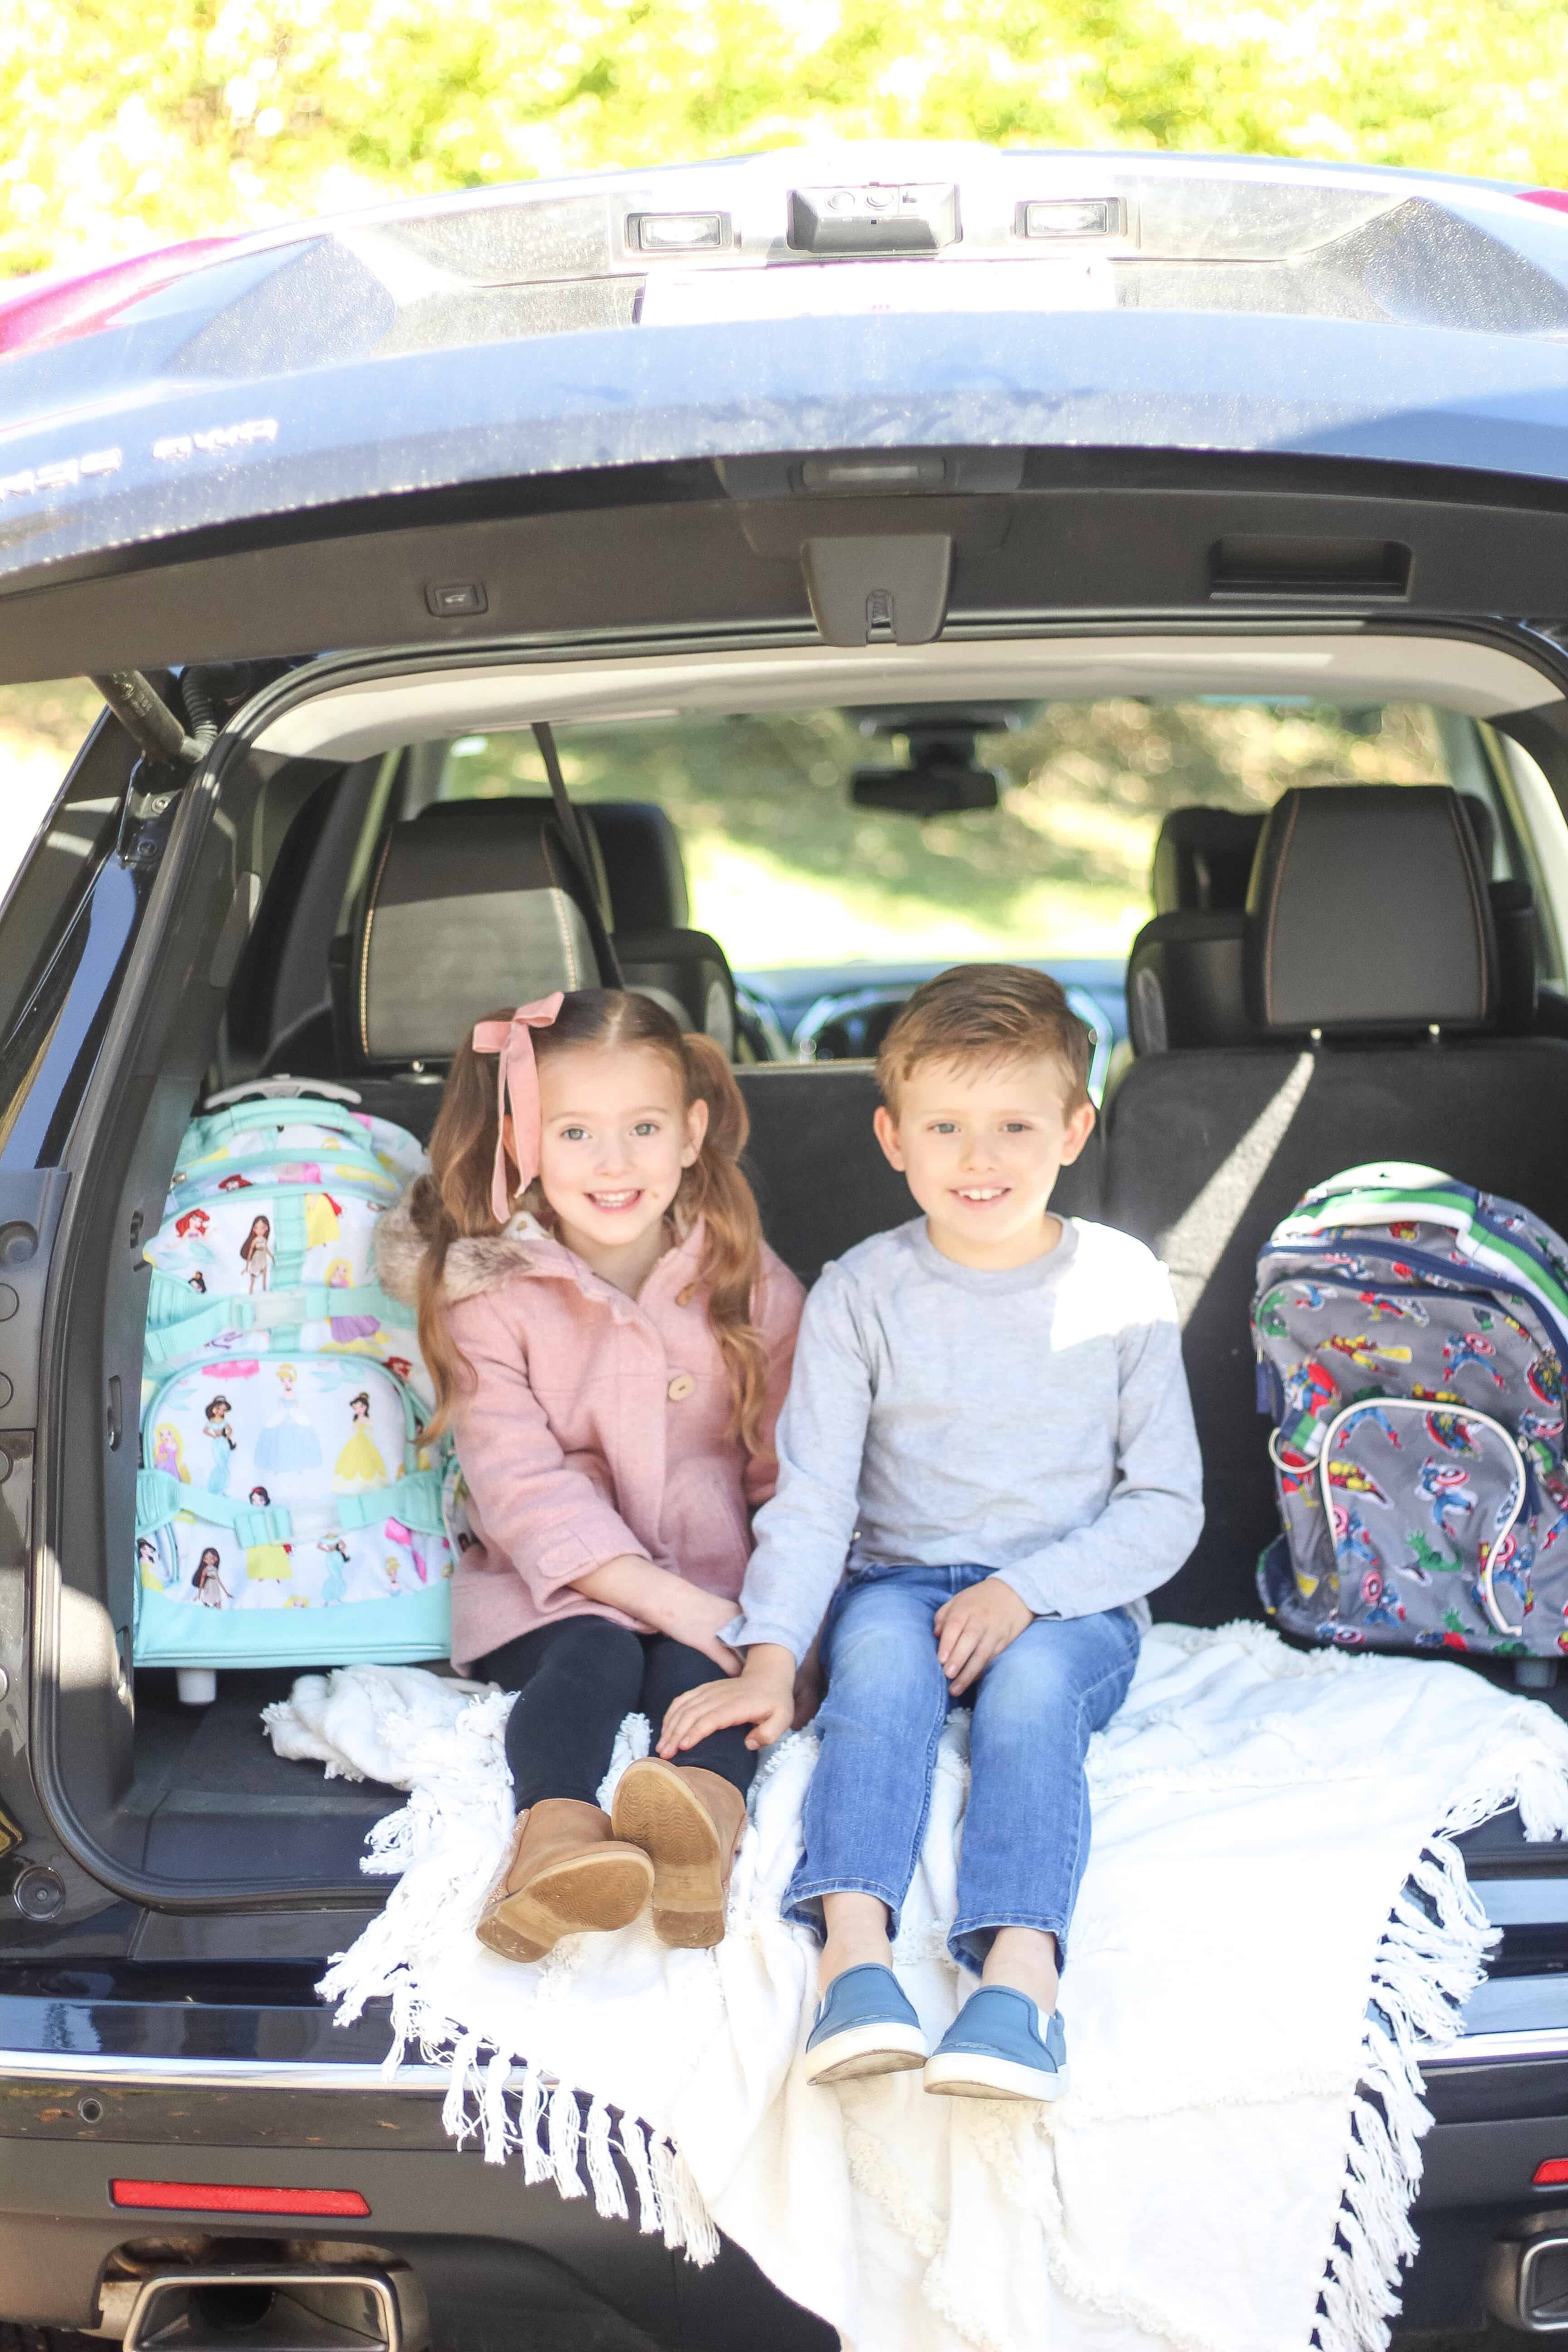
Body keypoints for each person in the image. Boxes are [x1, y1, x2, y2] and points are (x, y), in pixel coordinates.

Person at [660, 965, 1203, 2103]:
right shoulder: (862, 1292)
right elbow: (814, 1498)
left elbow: (1164, 1506)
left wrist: (1027, 1593)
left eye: (1014, 1126)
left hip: (1069, 1597)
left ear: (1075, 1127)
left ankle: (1019, 1985)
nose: (981, 1158)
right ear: (892, 1137)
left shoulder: (1122, 1284)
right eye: (946, 1127)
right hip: (899, 1582)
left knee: (1033, 1699)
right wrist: (769, 1653)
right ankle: (854, 1968)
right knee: (877, 1686)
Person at [376, 989, 803, 1966]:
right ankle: (556, 1840)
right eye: (575, 1133)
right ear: (523, 1139)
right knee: (599, 1660)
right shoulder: (489, 1290)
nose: (614, 1164)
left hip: (718, 1576)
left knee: (713, 1674)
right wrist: (656, 1595)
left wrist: (768, 1616)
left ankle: (702, 1825)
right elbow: (520, 1484)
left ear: (693, 1134)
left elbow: (800, 1472)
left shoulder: (749, 1278)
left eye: (643, 1129)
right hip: (553, 1589)